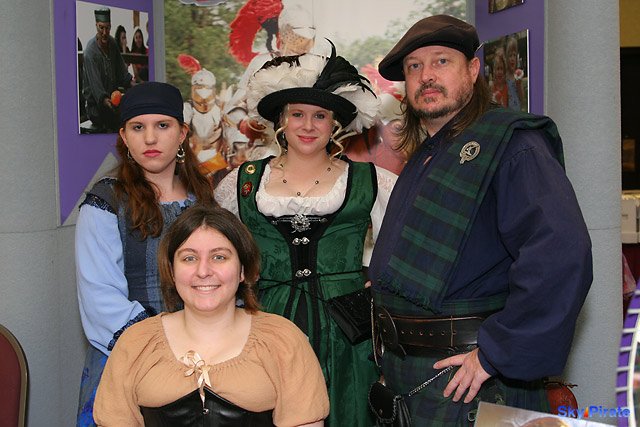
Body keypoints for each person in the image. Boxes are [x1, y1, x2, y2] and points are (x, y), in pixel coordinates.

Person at [368, 15, 593, 425]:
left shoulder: (514, 144)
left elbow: (562, 254)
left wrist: (497, 352)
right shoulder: (428, 154)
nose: (426, 76)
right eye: (415, 66)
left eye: (441, 61)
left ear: (472, 69)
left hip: (470, 380)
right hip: (417, 374)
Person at [215, 43, 397, 426]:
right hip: (266, 326)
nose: (308, 126)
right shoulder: (243, 183)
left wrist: (379, 289)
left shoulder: (371, 181)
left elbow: (401, 252)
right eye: (297, 114)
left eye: (320, 116)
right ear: (281, 120)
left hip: (349, 336)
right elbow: (216, 253)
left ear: (335, 124)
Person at [93, 204, 330, 426]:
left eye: (219, 257)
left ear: (242, 270)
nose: (203, 271)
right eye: (189, 258)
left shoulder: (284, 342)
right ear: (172, 271)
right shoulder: (135, 345)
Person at [75, 82, 216, 426]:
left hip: (209, 357)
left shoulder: (203, 198)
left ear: (182, 133)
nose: (150, 139)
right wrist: (172, 350)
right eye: (138, 127)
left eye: (162, 126)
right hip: (133, 361)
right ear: (124, 136)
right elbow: (101, 301)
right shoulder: (106, 203)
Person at [82, 8, 134, 133]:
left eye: (107, 28)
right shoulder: (90, 53)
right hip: (96, 108)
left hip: (114, 102)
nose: (105, 32)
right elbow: (97, 91)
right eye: (101, 28)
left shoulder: (112, 43)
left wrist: (135, 86)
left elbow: (122, 73)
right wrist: (107, 101)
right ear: (96, 26)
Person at [505, 35, 527, 111]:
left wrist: (519, 84)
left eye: (514, 55)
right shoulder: (505, 76)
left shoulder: (517, 75)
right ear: (506, 58)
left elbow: (522, 99)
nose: (512, 59)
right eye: (510, 55)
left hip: (517, 112)